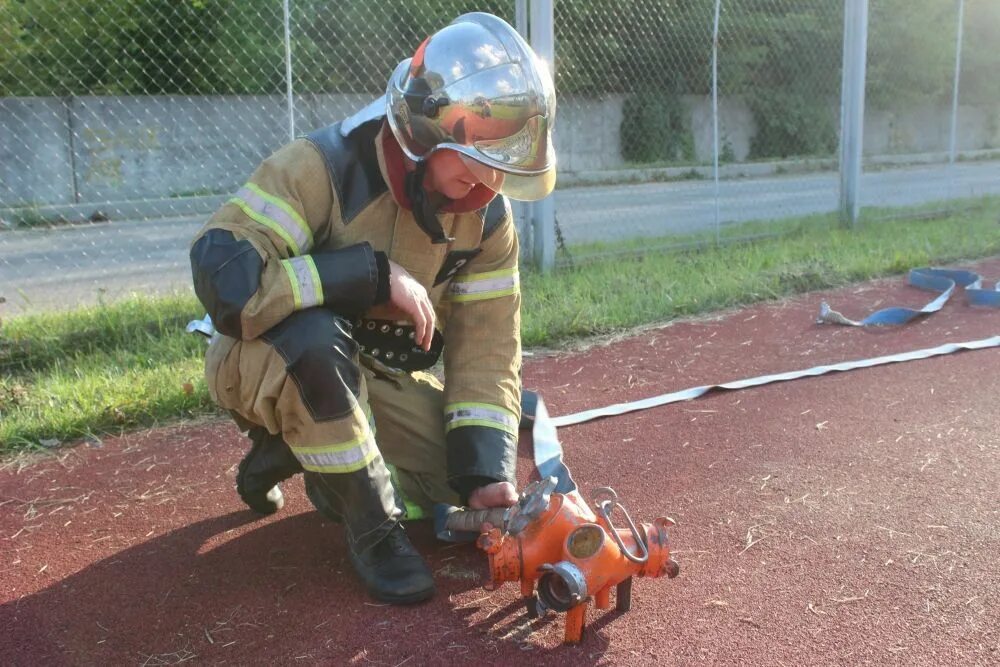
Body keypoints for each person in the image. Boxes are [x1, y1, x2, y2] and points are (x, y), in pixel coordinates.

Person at [189, 12, 556, 605]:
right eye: (473, 175)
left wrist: (487, 476)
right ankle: (374, 529)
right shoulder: (318, 170)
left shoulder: (488, 216)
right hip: (259, 354)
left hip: (368, 374)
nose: (487, 195)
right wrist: (367, 276)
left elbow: (489, 352)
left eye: (502, 178)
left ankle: (292, 452)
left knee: (460, 478)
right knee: (313, 341)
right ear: (419, 139)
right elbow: (229, 284)